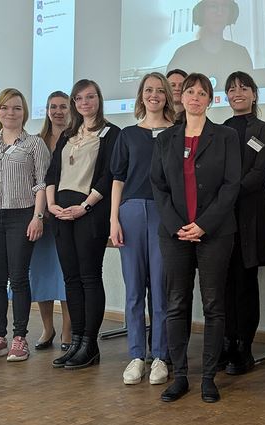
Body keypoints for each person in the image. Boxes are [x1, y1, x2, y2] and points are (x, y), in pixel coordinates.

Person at [151, 73, 241, 403]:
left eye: (202, 93)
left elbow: (231, 185)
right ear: (182, 97)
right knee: (177, 303)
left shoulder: (226, 136)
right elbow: (158, 186)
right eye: (190, 91)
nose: (195, 97)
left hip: (215, 232)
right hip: (174, 234)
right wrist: (177, 225)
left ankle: (208, 378)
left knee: (214, 305)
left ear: (210, 99)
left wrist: (203, 224)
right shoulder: (165, 139)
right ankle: (180, 376)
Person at [0, 88, 49, 362]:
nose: (10, 112)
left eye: (16, 107)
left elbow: (42, 184)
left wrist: (38, 217)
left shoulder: (35, 144)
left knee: (18, 278)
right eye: (4, 107)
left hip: (21, 216)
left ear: (24, 112)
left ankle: (19, 338)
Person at [46, 79, 120, 370]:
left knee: (89, 277)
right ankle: (76, 341)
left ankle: (90, 344)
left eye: (90, 97)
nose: (85, 103)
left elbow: (109, 175)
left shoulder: (112, 133)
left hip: (90, 212)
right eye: (79, 98)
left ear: (99, 99)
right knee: (71, 279)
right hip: (61, 212)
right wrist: (51, 205)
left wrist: (85, 206)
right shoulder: (67, 134)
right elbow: (52, 172)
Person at [110, 72, 174, 386]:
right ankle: (137, 355)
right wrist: (113, 220)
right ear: (141, 95)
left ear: (167, 96)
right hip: (131, 212)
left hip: (164, 214)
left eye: (160, 90)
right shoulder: (127, 135)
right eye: (148, 90)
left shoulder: (177, 132)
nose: (154, 95)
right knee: (134, 289)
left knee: (161, 290)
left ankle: (160, 356)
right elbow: (118, 179)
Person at [219, 71, 265, 375]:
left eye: (243, 88)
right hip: (222, 217)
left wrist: (227, 194)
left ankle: (244, 347)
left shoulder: (264, 129)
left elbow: (258, 172)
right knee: (224, 282)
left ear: (254, 94)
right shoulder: (220, 129)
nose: (237, 93)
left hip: (250, 214)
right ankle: (226, 342)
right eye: (231, 89)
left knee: (245, 282)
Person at [26, 91, 72, 351]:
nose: (58, 111)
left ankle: (67, 330)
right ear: (46, 110)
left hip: (67, 214)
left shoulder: (77, 138)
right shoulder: (37, 141)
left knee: (66, 275)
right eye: (53, 107)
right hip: (40, 216)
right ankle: (47, 328)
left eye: (63, 107)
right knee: (42, 274)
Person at [166, 0, 253, 90]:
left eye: (225, 7)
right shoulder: (183, 54)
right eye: (213, 6)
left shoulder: (240, 54)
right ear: (201, 13)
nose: (219, 13)